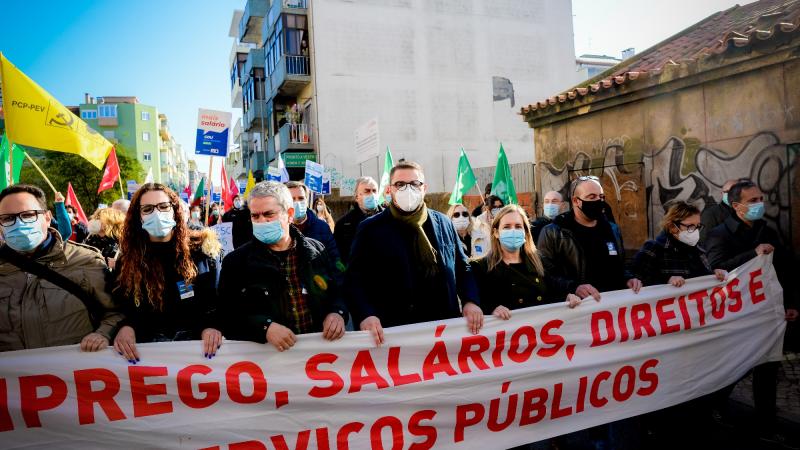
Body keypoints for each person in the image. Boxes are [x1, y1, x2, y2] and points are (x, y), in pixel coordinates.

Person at [346, 161, 483, 346]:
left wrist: (470, 300)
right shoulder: (371, 229)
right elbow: (355, 279)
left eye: (414, 184)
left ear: (424, 188)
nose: (407, 189)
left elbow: (462, 267)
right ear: (389, 190)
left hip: (442, 329)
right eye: (400, 185)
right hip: (394, 333)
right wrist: (366, 314)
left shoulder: (443, 223)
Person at [704, 180, 798, 441]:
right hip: (737, 317)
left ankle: (767, 425)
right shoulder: (719, 234)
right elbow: (717, 271)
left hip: (767, 313)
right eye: (753, 201)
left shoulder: (766, 230)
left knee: (768, 368)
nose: (760, 204)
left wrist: (789, 303)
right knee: (736, 368)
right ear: (736, 206)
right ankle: (713, 406)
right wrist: (752, 255)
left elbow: (784, 268)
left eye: (760, 198)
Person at [218, 181, 348, 351]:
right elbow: (226, 315)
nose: (261, 221)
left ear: (290, 214)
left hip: (319, 357)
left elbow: (336, 292)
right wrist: (264, 328)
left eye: (269, 214)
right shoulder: (236, 262)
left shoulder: (316, 251)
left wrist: (337, 313)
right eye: (255, 216)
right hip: (270, 366)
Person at [0, 184, 122, 352]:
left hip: (74, 374)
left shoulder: (85, 260)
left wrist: (103, 334)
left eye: (28, 215)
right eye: (7, 218)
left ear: (48, 217)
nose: (18, 223)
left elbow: (116, 313)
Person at [112, 183, 222, 362]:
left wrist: (210, 326)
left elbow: (216, 300)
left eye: (163, 207)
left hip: (197, 353)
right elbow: (121, 306)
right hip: (149, 353)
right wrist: (126, 327)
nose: (157, 213)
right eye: (147, 209)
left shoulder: (203, 251)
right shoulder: (128, 260)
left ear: (175, 210)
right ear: (138, 216)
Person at [537, 176, 642, 300]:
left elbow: (621, 266)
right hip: (580, 311)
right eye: (592, 197)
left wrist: (628, 278)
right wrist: (573, 288)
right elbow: (544, 274)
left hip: (613, 310)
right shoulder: (553, 233)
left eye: (601, 197)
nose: (599, 201)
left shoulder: (612, 229)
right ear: (576, 201)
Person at [471, 204, 578, 317]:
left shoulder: (539, 261)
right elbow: (476, 302)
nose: (513, 231)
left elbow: (554, 287)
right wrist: (491, 308)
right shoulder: (481, 267)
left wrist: (567, 296)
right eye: (507, 227)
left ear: (525, 232)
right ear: (496, 232)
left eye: (518, 226)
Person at [632, 201, 726, 287]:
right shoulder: (654, 248)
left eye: (698, 226)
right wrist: (667, 280)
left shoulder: (697, 249)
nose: (696, 231)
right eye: (690, 226)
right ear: (672, 227)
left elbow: (702, 276)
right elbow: (636, 281)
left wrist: (714, 274)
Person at [285, 181, 341, 265]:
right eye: (292, 199)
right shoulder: (280, 228)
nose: (297, 203)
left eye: (301, 198)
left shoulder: (322, 227)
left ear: (307, 200)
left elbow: (334, 259)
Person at [335, 176, 383, 265]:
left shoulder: (390, 219)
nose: (372, 194)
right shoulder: (344, 224)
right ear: (357, 197)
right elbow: (339, 254)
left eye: (374, 191)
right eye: (367, 191)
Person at [700, 178, 741, 243]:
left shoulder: (746, 212)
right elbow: (705, 242)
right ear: (722, 193)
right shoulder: (710, 214)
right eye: (728, 191)